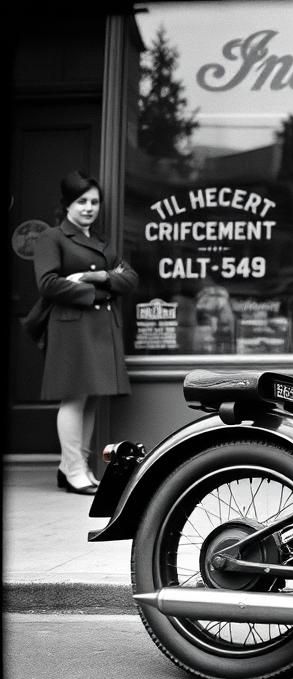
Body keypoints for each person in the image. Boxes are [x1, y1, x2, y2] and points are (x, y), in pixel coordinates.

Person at [33, 171, 138, 494]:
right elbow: (48, 284)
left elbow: (130, 279)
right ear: (68, 204)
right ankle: (75, 469)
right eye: (82, 202)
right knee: (74, 399)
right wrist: (104, 285)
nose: (89, 207)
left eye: (94, 201)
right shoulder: (52, 238)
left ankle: (72, 468)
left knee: (91, 399)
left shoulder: (102, 241)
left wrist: (95, 278)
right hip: (71, 328)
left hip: (99, 328)